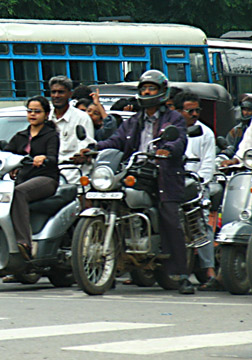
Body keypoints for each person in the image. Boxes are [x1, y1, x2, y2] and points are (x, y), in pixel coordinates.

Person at [78, 70, 194, 295]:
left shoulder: (174, 118)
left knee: (170, 217)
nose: (147, 92)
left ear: (161, 92)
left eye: (151, 88)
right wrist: (94, 148)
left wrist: (167, 149)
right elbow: (117, 140)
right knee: (112, 199)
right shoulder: (133, 121)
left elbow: (179, 139)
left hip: (164, 175)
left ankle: (182, 275)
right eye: (143, 88)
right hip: (136, 171)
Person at [4, 96, 59, 261]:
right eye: (30, 111)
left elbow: (53, 158)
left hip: (45, 178)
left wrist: (43, 158)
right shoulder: (21, 135)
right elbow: (6, 153)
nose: (33, 114)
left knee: (19, 192)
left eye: (37, 111)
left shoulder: (50, 135)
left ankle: (24, 242)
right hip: (23, 177)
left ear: (46, 114)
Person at [174, 92, 220, 291]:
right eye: (189, 110)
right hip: (170, 185)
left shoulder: (205, 133)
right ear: (177, 111)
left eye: (197, 110)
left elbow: (208, 164)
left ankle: (209, 272)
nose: (194, 114)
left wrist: (198, 185)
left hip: (196, 186)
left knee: (201, 223)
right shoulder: (168, 130)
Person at [47, 76, 94, 184]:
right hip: (47, 176)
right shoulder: (45, 117)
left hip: (75, 177)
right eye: (53, 92)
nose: (56, 96)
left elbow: (87, 146)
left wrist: (83, 155)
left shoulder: (81, 118)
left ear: (70, 94)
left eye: (61, 92)